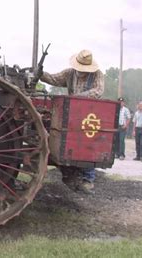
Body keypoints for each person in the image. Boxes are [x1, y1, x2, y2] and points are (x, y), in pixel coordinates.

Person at [38, 49, 104, 193]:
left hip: (88, 114)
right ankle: (70, 173)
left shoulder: (97, 75)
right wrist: (41, 74)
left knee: (87, 144)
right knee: (68, 143)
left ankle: (88, 179)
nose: (81, 71)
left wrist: (78, 97)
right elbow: (54, 79)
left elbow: (98, 91)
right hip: (71, 112)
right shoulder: (69, 73)